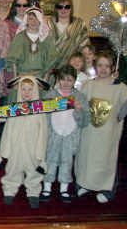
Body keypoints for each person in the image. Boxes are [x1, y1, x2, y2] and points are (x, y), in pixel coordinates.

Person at [75, 51, 127, 204]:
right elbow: (82, 103)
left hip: (108, 131)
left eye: (107, 66)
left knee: (105, 159)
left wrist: (118, 118)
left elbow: (125, 106)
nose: (103, 69)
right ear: (95, 67)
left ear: (112, 67)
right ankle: (85, 183)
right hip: (90, 131)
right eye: (100, 65)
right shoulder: (89, 85)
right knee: (87, 157)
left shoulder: (119, 87)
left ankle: (105, 189)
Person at [0, 77, 48, 209]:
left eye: (30, 89)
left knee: (34, 172)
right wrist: (4, 153)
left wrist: (41, 155)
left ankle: (33, 193)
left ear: (35, 91)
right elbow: (7, 132)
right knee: (12, 170)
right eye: (23, 89)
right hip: (15, 150)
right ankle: (9, 190)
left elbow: (43, 134)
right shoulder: (14, 110)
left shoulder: (39, 111)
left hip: (32, 150)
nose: (26, 92)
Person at [41, 65, 89, 204]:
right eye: (63, 79)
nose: (66, 83)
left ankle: (64, 188)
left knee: (67, 162)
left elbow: (85, 121)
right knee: (50, 160)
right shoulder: (50, 95)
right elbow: (43, 117)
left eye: (69, 80)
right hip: (53, 134)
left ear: (74, 80)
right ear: (58, 80)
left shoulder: (80, 97)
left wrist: (79, 110)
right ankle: (47, 187)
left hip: (70, 134)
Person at [6, 7, 59, 84]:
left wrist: (45, 79)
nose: (34, 22)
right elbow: (13, 60)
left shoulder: (46, 38)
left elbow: (50, 61)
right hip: (22, 78)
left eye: (36, 19)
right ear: (26, 20)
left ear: (40, 21)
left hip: (40, 78)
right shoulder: (19, 37)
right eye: (31, 19)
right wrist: (16, 79)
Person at [47, 0, 90, 65]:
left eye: (67, 7)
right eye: (60, 7)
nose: (63, 10)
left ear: (71, 8)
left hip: (72, 65)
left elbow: (85, 46)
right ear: (56, 9)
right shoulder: (48, 23)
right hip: (51, 65)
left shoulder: (79, 24)